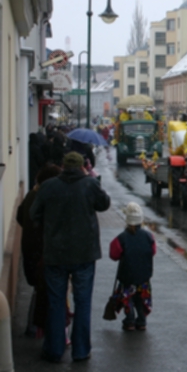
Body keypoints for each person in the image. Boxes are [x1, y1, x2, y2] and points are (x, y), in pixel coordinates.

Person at [30, 152, 111, 362]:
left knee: (56, 302)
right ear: (81, 167)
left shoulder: (49, 186)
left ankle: (55, 349)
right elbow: (104, 204)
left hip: (55, 254)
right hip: (84, 253)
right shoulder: (89, 185)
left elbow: (34, 214)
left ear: (64, 166)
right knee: (83, 302)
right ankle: (81, 350)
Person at [16, 164, 62, 336]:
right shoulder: (42, 198)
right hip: (39, 249)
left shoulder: (31, 194)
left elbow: (19, 216)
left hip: (29, 247)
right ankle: (35, 326)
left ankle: (34, 325)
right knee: (42, 289)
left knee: (38, 287)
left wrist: (29, 230)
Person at [109, 202, 156, 331]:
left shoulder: (122, 238)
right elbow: (153, 251)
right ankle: (141, 321)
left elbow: (113, 254)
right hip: (144, 276)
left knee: (128, 298)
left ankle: (129, 320)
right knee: (141, 298)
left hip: (127, 276)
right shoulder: (148, 236)